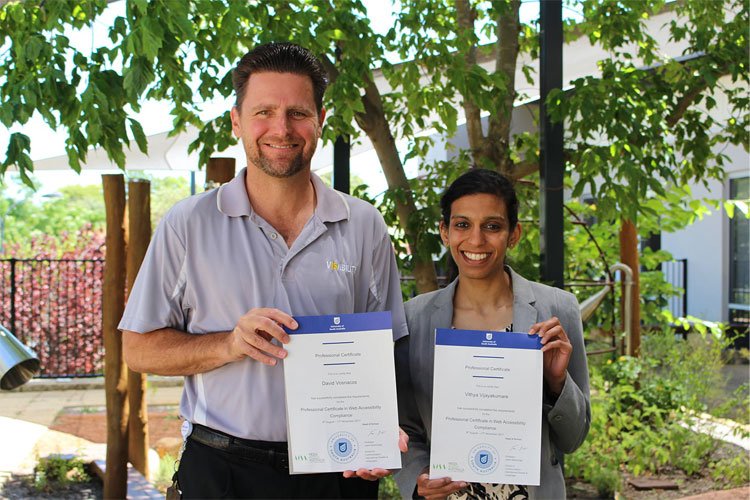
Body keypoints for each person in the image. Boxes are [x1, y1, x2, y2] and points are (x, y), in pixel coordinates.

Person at [119, 42, 408, 499]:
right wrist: (230, 345)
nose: (281, 128)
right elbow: (137, 350)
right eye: (264, 112)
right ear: (236, 121)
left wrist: (384, 429)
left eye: (298, 112)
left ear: (321, 119)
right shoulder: (189, 224)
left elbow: (387, 349)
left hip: (340, 468)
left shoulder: (365, 224)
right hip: (223, 471)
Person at [394, 168, 590, 499]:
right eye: (462, 225)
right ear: (444, 232)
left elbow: (573, 439)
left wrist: (557, 384)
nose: (476, 240)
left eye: (492, 226)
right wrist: (419, 479)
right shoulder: (415, 317)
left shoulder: (557, 309)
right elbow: (407, 426)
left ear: (514, 234)